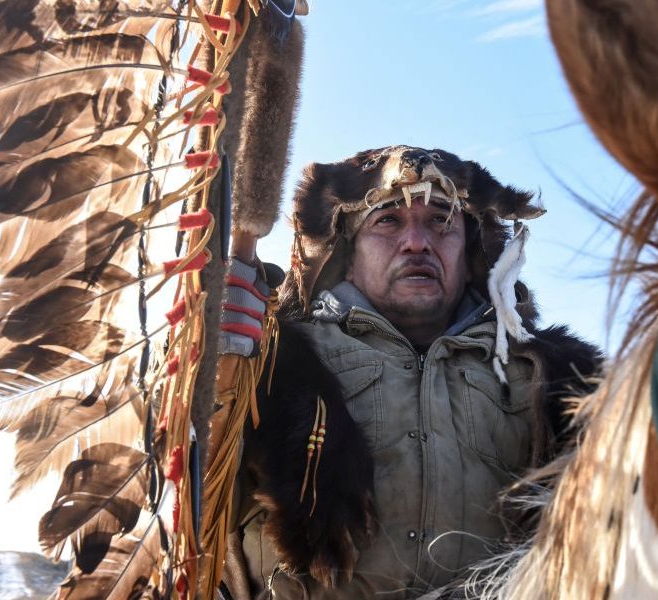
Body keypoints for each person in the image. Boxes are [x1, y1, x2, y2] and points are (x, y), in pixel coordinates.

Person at [218, 145, 601, 599]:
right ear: (348, 256)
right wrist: (208, 373)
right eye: (388, 221)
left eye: (441, 220)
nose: (417, 242)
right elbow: (186, 499)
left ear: (471, 254)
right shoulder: (270, 358)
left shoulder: (557, 377)